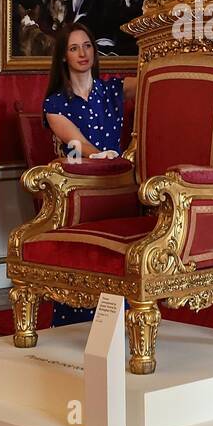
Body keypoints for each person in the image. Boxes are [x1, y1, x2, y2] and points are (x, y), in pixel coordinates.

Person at [40, 21, 136, 326]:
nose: (83, 53)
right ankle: (74, 324)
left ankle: (119, 321)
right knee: (83, 257)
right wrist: (100, 155)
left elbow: (152, 77)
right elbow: (75, 143)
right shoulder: (55, 103)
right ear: (63, 57)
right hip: (79, 188)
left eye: (88, 46)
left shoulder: (112, 89)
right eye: (74, 48)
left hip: (117, 185)